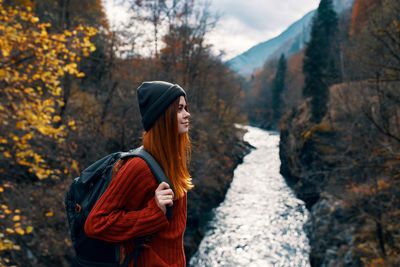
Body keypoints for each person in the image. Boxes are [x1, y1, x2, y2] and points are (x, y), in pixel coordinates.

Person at [84, 81, 193, 267]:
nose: (187, 114)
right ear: (162, 116)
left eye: (185, 108)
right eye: (179, 109)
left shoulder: (174, 159)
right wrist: (153, 213)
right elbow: (96, 223)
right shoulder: (138, 167)